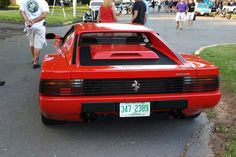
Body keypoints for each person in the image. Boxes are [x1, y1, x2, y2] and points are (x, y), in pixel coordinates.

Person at [19, 0, 49, 69]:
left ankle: (34, 58)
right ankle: (35, 62)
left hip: (29, 26)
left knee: (32, 43)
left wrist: (27, 21)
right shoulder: (43, 2)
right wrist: (34, 21)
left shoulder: (24, 1)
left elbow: (21, 12)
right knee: (38, 44)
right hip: (39, 26)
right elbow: (44, 14)